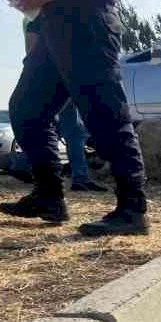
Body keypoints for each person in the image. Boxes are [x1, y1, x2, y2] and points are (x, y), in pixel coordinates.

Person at [0, 0, 148, 236]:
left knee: (106, 114)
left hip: (87, 19)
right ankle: (49, 197)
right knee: (26, 109)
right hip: (51, 25)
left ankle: (132, 209)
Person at [23, 17, 107, 192]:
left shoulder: (41, 16)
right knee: (62, 128)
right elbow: (32, 48)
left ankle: (77, 177)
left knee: (71, 130)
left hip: (64, 75)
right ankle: (24, 165)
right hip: (57, 76)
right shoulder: (41, 17)